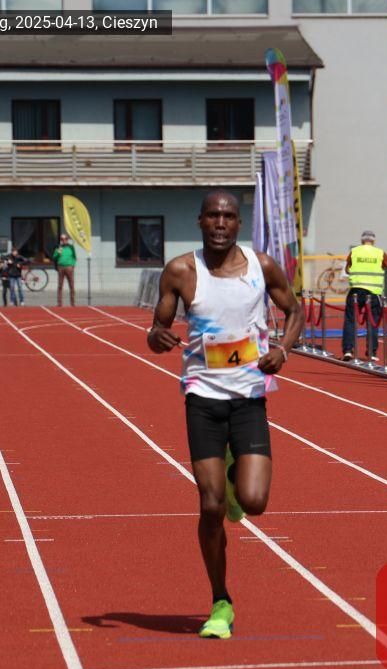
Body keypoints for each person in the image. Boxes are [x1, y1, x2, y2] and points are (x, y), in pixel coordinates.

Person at [147, 190, 302, 640]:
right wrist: (156, 338)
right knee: (210, 505)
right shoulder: (180, 271)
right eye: (212, 215)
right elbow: (158, 329)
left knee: (253, 502)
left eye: (228, 216)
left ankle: (237, 480)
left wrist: (282, 350)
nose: (220, 223)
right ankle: (220, 599)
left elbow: (294, 311)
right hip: (203, 398)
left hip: (249, 397)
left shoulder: (262, 266)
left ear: (239, 223)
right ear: (200, 221)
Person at [341, 230, 387, 362]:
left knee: (350, 320)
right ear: (373, 240)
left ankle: (348, 350)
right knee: (373, 322)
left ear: (362, 240)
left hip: (355, 291)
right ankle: (371, 352)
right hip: (373, 292)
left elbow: (347, 270)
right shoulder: (380, 253)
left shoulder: (354, 251)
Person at [52, 233, 76, 306]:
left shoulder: (71, 247)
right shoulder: (58, 248)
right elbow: (54, 257)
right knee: (60, 285)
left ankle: (72, 303)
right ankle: (59, 303)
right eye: (62, 239)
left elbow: (74, 257)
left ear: (67, 239)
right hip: (61, 267)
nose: (63, 240)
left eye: (65, 239)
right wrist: (58, 253)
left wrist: (72, 266)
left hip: (69, 267)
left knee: (71, 285)